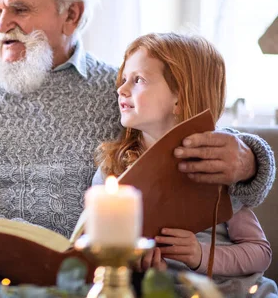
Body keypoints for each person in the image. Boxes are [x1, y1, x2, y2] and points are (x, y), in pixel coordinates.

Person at [0, 0, 275, 289]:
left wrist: (251, 160)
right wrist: (26, 247)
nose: (2, 25)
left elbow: (192, 131)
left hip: (97, 272)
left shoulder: (119, 87)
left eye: (19, 9)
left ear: (71, 14)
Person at [93, 32, 276, 296]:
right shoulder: (113, 172)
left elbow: (260, 253)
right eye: (123, 80)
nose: (121, 90)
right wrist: (135, 266)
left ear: (179, 97)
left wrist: (201, 254)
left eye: (138, 80)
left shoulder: (216, 163)